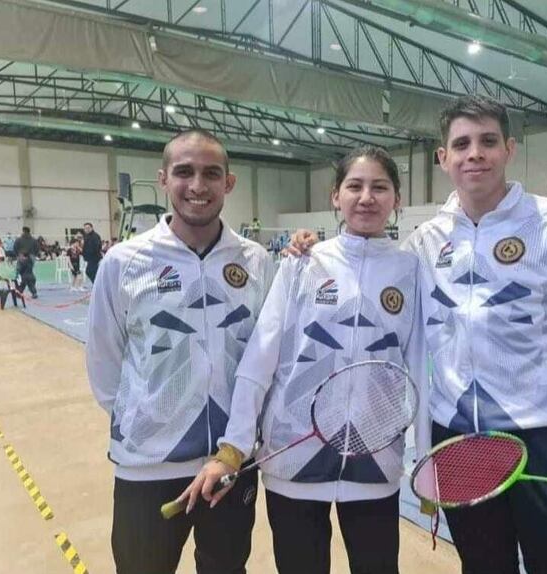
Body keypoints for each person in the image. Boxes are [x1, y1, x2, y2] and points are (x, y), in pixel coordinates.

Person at [288, 95, 547, 574]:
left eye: (488, 141)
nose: (475, 153)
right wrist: (311, 248)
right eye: (463, 144)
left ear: (509, 149)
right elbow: (364, 269)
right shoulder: (424, 243)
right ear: (443, 158)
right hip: (458, 444)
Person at [177, 146, 428, 574]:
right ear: (335, 196)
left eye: (380, 187)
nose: (366, 197)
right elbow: (261, 358)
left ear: (397, 200)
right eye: (355, 186)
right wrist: (235, 445)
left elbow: (420, 368)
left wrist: (424, 461)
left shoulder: (411, 270)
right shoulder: (303, 262)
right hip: (293, 458)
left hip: (375, 461)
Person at [86, 129, 276, 574]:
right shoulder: (124, 261)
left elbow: (266, 357)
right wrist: (150, 420)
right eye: (184, 172)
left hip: (230, 465)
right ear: (164, 179)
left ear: (228, 182)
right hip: (147, 467)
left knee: (226, 568)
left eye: (211, 173)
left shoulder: (256, 261)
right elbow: (104, 360)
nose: (197, 186)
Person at [13, 226, 39, 299]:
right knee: (29, 274)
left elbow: (15, 248)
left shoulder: (18, 240)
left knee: (20, 276)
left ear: (23, 231)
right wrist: (33, 255)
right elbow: (37, 249)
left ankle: (19, 291)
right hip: (31, 258)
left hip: (21, 257)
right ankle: (33, 292)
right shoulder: (34, 240)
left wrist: (18, 255)